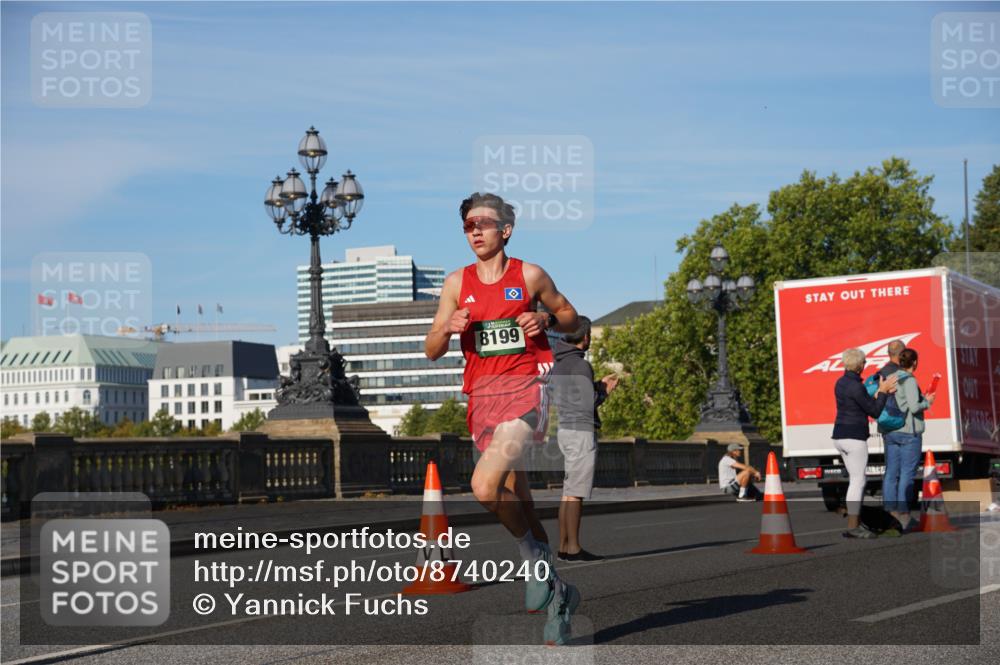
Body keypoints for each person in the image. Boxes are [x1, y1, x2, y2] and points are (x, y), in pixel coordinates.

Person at [424, 192, 580, 645]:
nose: (474, 231)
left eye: (483, 224)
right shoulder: (456, 283)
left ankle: (534, 561)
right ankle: (559, 600)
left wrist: (544, 318)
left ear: (505, 230)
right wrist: (448, 328)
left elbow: (572, 319)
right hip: (482, 398)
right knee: (517, 496)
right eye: (468, 225)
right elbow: (431, 350)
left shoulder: (529, 274)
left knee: (483, 486)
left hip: (526, 390)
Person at [550, 315, 619, 561]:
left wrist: (597, 385)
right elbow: (587, 403)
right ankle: (575, 548)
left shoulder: (559, 364)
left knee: (568, 492)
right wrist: (605, 392)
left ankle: (563, 546)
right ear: (586, 337)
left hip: (565, 429)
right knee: (576, 492)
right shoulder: (581, 365)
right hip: (581, 431)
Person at [833, 347, 898, 539]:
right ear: (861, 365)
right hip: (854, 437)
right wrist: (884, 392)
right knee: (858, 481)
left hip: (839, 435)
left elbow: (861, 403)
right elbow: (874, 412)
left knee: (855, 480)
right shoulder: (856, 386)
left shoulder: (841, 383)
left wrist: (879, 392)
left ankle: (855, 522)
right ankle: (853, 526)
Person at [880, 348, 934, 532]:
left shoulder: (892, 376)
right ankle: (903, 514)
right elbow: (913, 406)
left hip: (891, 431)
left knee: (891, 473)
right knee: (906, 474)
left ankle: (889, 512)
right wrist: (928, 401)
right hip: (908, 432)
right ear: (915, 363)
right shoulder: (909, 380)